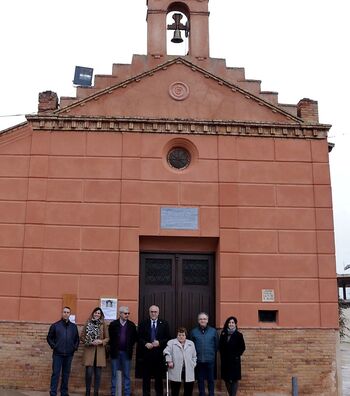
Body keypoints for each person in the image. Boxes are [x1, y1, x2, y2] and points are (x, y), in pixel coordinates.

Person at [136, 305, 170, 396]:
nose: (153, 313)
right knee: (146, 378)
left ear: (158, 313)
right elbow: (139, 337)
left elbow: (168, 338)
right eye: (152, 312)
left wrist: (159, 343)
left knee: (158, 378)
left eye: (155, 312)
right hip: (146, 356)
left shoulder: (164, 323)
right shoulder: (143, 323)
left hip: (159, 356)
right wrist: (145, 343)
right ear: (149, 312)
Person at [47, 306, 80, 396]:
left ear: (70, 314)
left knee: (66, 374)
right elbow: (49, 337)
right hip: (58, 354)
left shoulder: (73, 327)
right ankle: (53, 393)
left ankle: (64, 392)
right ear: (62, 313)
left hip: (69, 354)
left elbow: (77, 339)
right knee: (56, 374)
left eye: (68, 312)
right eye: (64, 312)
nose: (66, 314)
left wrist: (74, 347)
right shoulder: (55, 325)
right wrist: (54, 346)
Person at [108, 306, 138, 396]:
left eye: (128, 313)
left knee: (127, 375)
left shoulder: (132, 325)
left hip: (126, 353)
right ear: (120, 313)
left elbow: (134, 338)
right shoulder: (113, 324)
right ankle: (114, 393)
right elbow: (110, 338)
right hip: (115, 353)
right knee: (114, 374)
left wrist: (129, 346)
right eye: (125, 313)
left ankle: (127, 393)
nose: (127, 315)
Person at [80, 307, 109, 396]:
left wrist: (101, 341)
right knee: (88, 373)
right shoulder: (88, 323)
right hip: (89, 351)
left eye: (99, 313)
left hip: (99, 352)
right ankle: (87, 392)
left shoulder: (103, 324)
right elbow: (82, 337)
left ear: (101, 315)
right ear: (93, 313)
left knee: (98, 375)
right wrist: (89, 342)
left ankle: (96, 392)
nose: (97, 314)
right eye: (96, 313)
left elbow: (107, 338)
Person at [190, 312, 218, 396]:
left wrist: (212, 354)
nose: (203, 320)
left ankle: (211, 394)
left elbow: (216, 345)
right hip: (198, 360)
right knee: (200, 379)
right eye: (201, 319)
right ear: (198, 320)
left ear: (207, 320)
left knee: (211, 380)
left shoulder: (213, 331)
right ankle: (202, 394)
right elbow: (191, 346)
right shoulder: (193, 332)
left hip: (210, 360)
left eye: (204, 319)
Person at [163, 327, 197, 396]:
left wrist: (193, 364)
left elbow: (194, 356)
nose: (181, 337)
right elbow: (166, 352)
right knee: (175, 389)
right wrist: (169, 361)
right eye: (179, 335)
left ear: (185, 336)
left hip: (188, 369)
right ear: (177, 335)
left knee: (188, 389)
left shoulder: (191, 343)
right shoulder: (171, 342)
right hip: (176, 368)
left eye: (183, 335)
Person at [219, 316, 246, 396]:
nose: (231, 324)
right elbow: (220, 347)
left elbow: (242, 347)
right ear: (227, 324)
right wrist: (223, 356)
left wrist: (236, 356)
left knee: (234, 379)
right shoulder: (223, 334)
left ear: (235, 324)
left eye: (232, 323)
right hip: (225, 361)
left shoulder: (239, 335)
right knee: (226, 379)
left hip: (235, 361)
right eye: (229, 322)